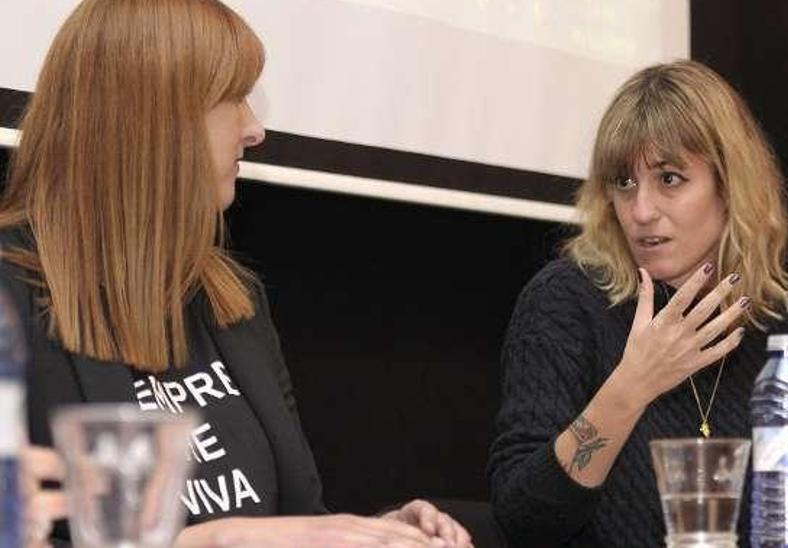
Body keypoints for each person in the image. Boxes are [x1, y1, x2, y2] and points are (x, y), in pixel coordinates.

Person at [4, 1, 471, 546]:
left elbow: (292, 514)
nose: (255, 129)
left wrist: (371, 534)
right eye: (233, 99)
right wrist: (207, 541)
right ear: (150, 119)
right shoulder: (9, 298)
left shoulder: (231, 299)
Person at [487, 59, 788, 547]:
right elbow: (524, 521)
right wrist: (632, 386)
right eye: (624, 182)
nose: (641, 211)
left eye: (669, 179)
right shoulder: (565, 302)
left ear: (730, 185)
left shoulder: (775, 324)